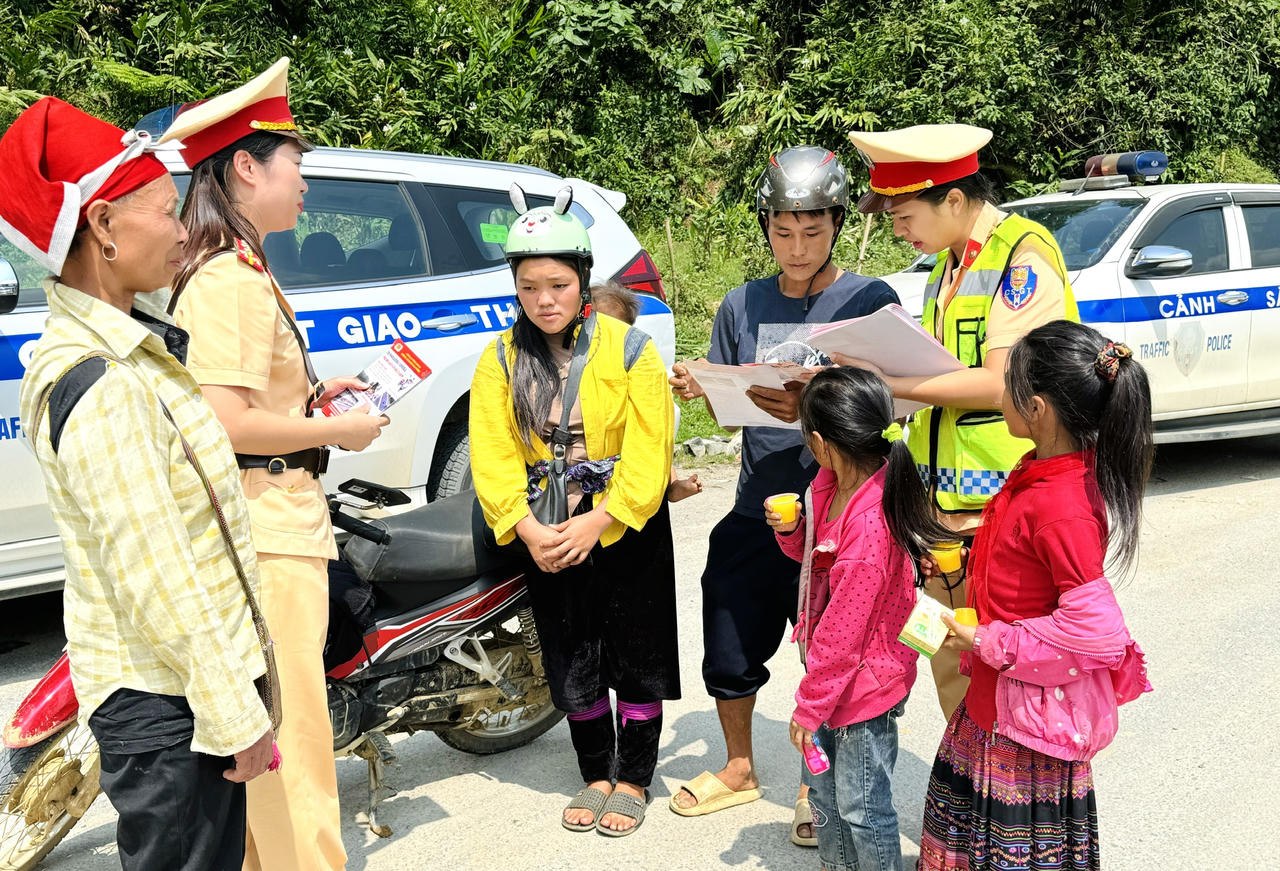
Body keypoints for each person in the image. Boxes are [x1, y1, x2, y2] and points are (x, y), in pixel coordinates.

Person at [7, 97, 274, 871]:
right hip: (169, 709)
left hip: (184, 693)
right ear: (102, 227)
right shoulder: (105, 383)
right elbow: (159, 574)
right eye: (166, 209)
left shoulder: (136, 340)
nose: (186, 228)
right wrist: (238, 716)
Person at [161, 58, 388, 871]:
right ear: (247, 167)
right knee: (291, 727)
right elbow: (224, 419)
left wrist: (321, 391)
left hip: (276, 513)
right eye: (296, 165)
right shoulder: (228, 279)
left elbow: (246, 392)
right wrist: (340, 434)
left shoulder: (246, 267)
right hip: (267, 522)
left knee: (276, 722)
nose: (304, 184)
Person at [667, 146, 898, 848]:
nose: (797, 246)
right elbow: (733, 411)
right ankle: (739, 766)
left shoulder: (869, 301)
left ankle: (811, 782)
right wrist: (706, 385)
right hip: (759, 499)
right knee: (729, 623)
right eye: (783, 230)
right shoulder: (742, 303)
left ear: (837, 223)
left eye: (813, 230)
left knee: (829, 646)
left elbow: (892, 401)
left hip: (842, 506)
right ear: (765, 225)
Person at [842, 124, 1080, 720]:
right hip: (943, 511)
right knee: (950, 657)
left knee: (1008, 669)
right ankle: (971, 792)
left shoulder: (1022, 257)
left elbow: (1004, 381)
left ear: (952, 199)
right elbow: (941, 377)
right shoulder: (945, 267)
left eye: (903, 214)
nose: (897, 229)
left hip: (1009, 504)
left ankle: (1012, 800)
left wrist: (886, 385)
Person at [470, 186, 679, 836]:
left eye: (558, 283)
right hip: (548, 527)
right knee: (573, 656)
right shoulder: (501, 360)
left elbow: (651, 451)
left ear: (582, 279)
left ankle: (636, 777)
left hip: (626, 526)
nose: (544, 299)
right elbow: (493, 455)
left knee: (637, 655)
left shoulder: (630, 349)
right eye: (529, 285)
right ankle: (595, 770)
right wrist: (529, 528)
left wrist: (602, 519)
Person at [917, 320, 1153, 871]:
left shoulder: (1061, 505)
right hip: (995, 707)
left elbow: (1095, 632)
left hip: (1024, 730)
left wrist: (988, 638)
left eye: (1008, 385)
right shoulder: (1041, 473)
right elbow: (1027, 571)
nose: (1000, 395)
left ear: (1039, 408)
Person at [766, 367, 952, 871]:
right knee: (826, 801)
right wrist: (794, 531)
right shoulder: (834, 485)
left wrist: (808, 707)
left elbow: (843, 635)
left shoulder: (869, 526)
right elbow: (819, 563)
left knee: (862, 807)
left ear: (821, 441)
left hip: (864, 686)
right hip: (835, 680)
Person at [589, 281, 701, 502]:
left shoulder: (637, 370)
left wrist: (673, 483)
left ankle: (670, 485)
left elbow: (657, 436)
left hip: (636, 479)